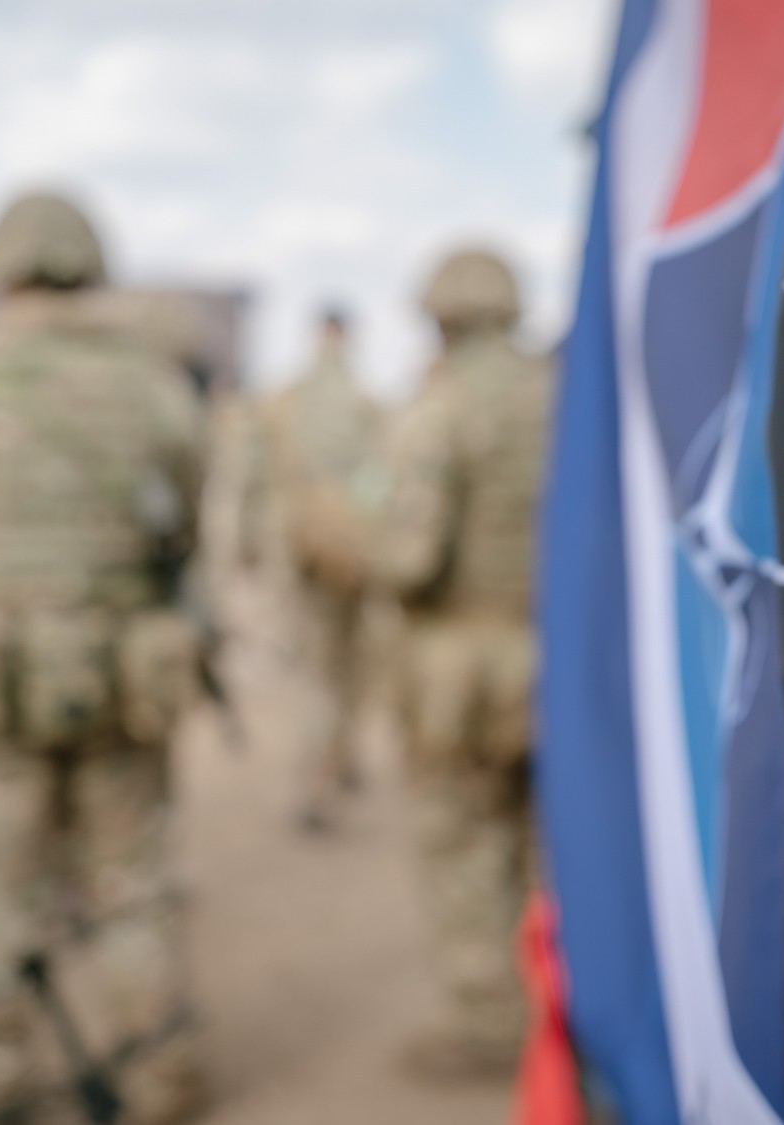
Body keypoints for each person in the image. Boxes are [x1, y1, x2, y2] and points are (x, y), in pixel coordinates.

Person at [0, 190, 208, 1124]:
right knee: (132, 881)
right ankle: (159, 1072)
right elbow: (184, 529)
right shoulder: (153, 389)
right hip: (125, 669)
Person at [365, 247, 551, 1082]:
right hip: (555, 662)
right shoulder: (562, 398)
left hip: (462, 676)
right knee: (547, 846)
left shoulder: (438, 410)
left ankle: (487, 1025)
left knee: (466, 845)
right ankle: (559, 1011)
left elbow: (410, 559)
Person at [261, 307, 379, 831]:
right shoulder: (364, 401)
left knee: (317, 670)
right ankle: (335, 767)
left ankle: (319, 779)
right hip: (354, 553)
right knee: (348, 665)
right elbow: (383, 478)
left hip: (303, 552)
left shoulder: (286, 401)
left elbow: (260, 479)